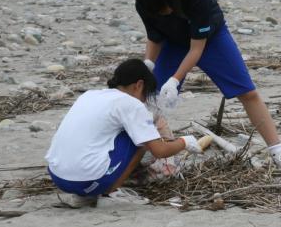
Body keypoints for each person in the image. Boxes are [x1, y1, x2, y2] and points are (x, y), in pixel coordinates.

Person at [132, 0, 281, 167]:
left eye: (165, 8)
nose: (163, 13)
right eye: (157, 11)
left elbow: (196, 49)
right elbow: (154, 37)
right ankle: (137, 154)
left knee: (247, 92)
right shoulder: (144, 3)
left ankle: (278, 150)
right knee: (149, 98)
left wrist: (175, 80)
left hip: (210, 39)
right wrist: (148, 65)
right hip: (172, 42)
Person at [46, 59, 202, 208]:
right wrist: (185, 141)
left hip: (58, 177)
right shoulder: (131, 104)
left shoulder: (88, 95)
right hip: (87, 181)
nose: (143, 101)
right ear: (139, 85)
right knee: (141, 141)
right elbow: (159, 151)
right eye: (145, 95)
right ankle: (111, 193)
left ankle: (83, 196)